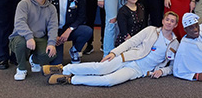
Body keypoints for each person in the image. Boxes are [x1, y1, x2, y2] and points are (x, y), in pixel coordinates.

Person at [45, 12, 179, 87]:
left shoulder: (175, 44)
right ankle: (63, 69)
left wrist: (163, 71)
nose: (169, 23)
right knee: (100, 68)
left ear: (176, 25)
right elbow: (131, 42)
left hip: (138, 70)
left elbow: (174, 66)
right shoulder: (151, 30)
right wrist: (114, 52)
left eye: (172, 21)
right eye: (167, 19)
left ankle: (70, 79)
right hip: (127, 57)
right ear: (163, 20)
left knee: (108, 81)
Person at [9, 0, 58, 80]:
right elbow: (20, 22)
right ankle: (21, 68)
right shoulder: (24, 3)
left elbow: (53, 27)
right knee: (21, 43)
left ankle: (34, 59)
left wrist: (51, 43)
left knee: (51, 55)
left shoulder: (51, 8)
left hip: (40, 37)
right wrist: (29, 37)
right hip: (21, 36)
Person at [50, 0, 92, 64]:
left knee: (87, 31)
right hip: (55, 31)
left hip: (69, 29)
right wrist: (53, 35)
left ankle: (75, 50)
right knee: (56, 63)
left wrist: (70, 29)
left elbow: (82, 16)